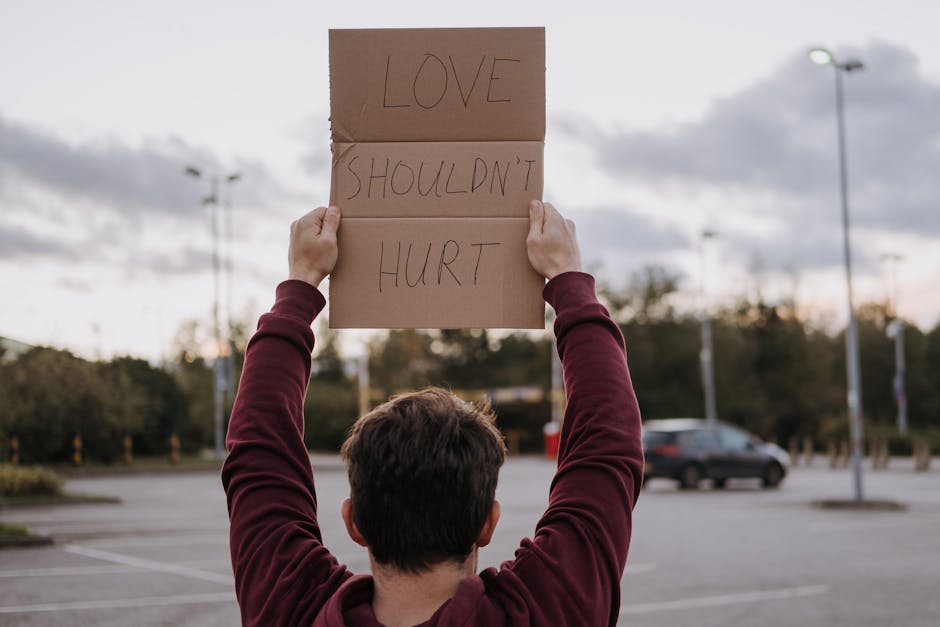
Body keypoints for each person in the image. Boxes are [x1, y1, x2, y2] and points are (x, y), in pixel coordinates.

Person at [222, 200, 644, 626]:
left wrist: (300, 286)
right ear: (488, 522)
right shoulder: (546, 610)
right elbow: (606, 448)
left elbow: (259, 459)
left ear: (354, 522)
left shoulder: (295, 610)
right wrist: (568, 279)